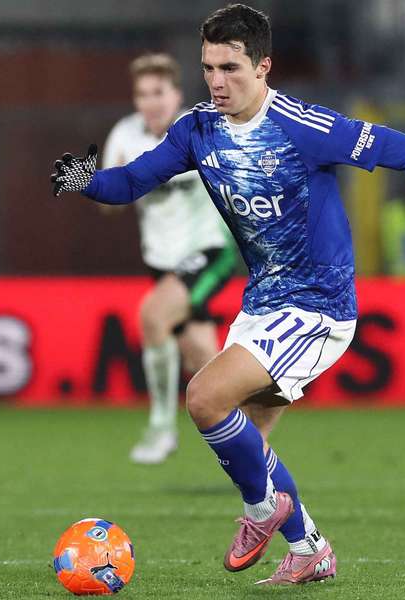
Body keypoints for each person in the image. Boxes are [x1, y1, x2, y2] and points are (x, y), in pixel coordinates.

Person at [52, 3, 405, 584]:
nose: (217, 82)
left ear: (264, 66)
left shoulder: (306, 127)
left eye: (231, 68)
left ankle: (261, 510)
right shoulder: (197, 129)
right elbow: (133, 181)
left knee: (204, 399)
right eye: (209, 68)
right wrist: (84, 179)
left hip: (319, 308)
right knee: (247, 439)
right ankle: (308, 547)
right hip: (262, 305)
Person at [102, 53, 237, 465]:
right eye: (142, 94)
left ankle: (161, 427)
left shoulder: (199, 130)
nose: (151, 102)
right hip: (161, 261)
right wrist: (114, 184)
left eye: (158, 92)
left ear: (175, 94)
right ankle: (252, 441)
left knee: (153, 316)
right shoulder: (125, 135)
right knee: (209, 369)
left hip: (209, 252)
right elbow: (109, 205)